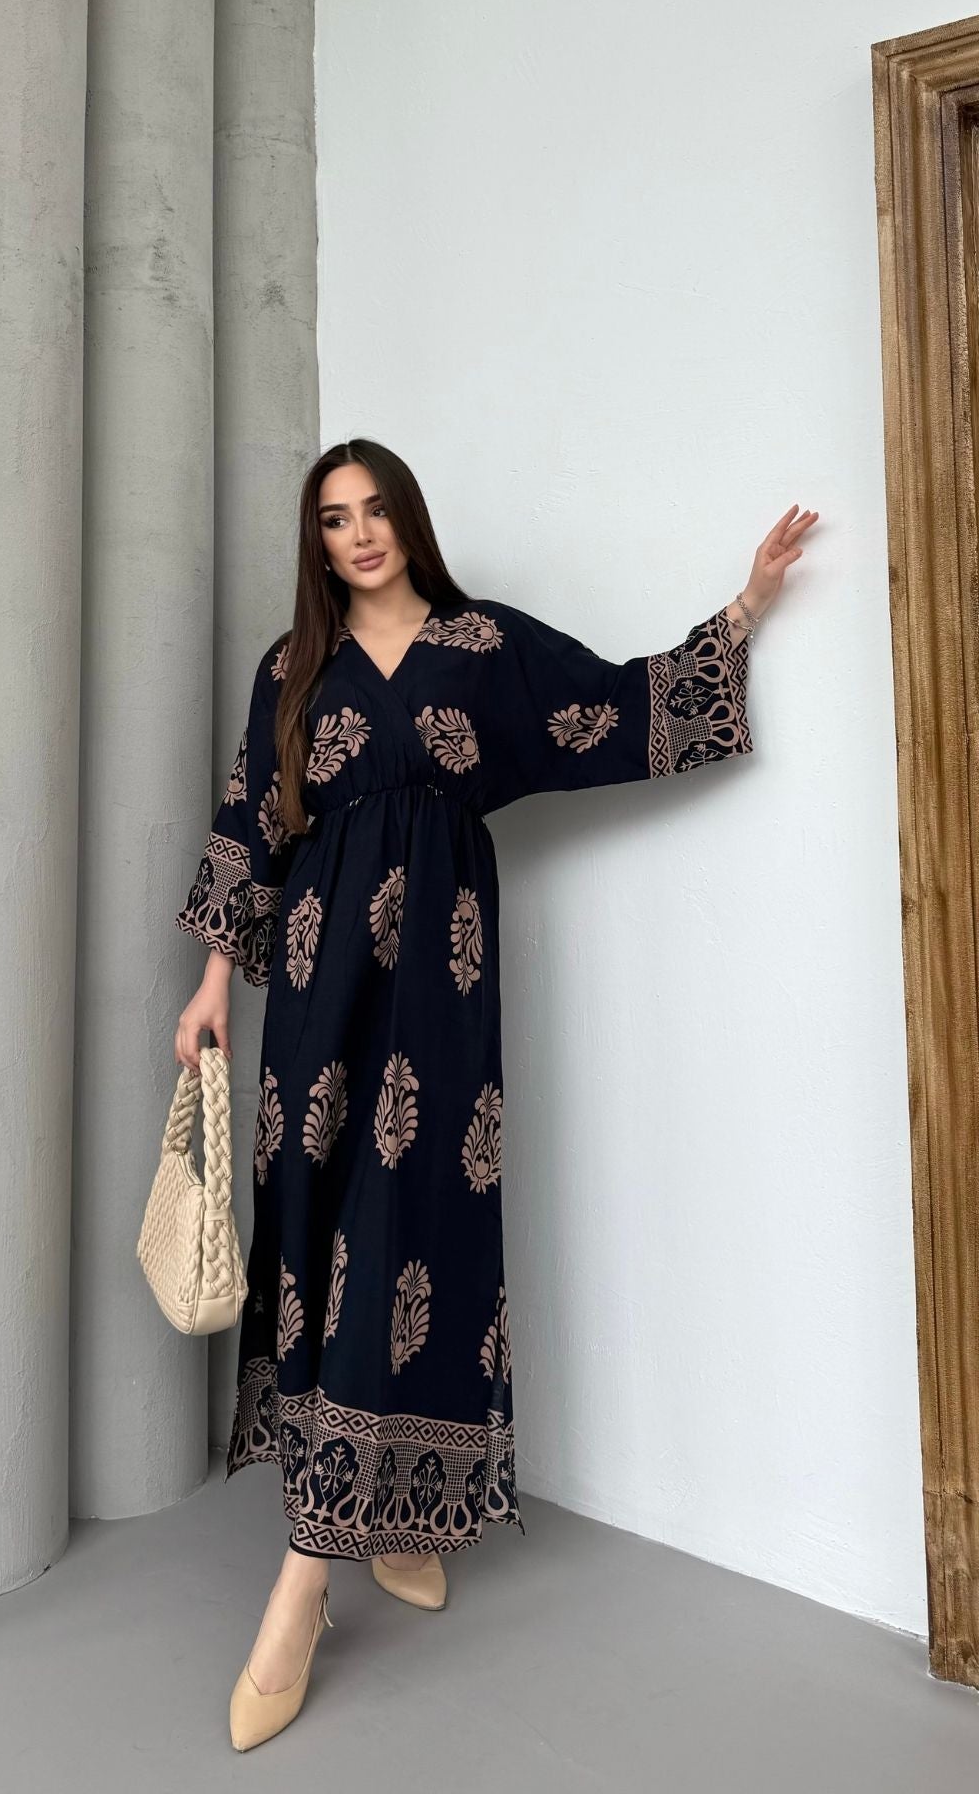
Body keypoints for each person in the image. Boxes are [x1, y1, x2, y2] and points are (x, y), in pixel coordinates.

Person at [173, 437, 818, 1750]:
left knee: (412, 1240)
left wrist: (746, 608)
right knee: (321, 1239)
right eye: (334, 519)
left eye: (376, 510)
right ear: (316, 541)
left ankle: (307, 1583)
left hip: (439, 999)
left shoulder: (483, 647)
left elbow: (614, 709)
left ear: (408, 518)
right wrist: (209, 987)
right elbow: (251, 825)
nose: (359, 534)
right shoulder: (292, 669)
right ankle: (384, 1516)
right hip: (316, 999)